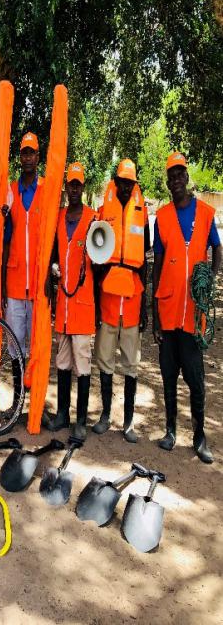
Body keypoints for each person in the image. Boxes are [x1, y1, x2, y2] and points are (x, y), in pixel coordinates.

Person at [153, 152, 221, 463]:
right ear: (167, 182)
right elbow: (156, 269)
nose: (177, 179)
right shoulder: (163, 217)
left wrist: (211, 281)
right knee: (168, 375)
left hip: (194, 315)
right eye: (172, 175)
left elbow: (217, 248)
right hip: (168, 312)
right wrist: (153, 317)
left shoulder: (206, 213)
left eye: (181, 173)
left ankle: (199, 436)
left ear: (187, 178)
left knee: (195, 378)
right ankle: (169, 431)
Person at [93, 159, 150, 443]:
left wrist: (146, 308)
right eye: (122, 182)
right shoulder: (105, 210)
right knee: (104, 360)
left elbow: (145, 262)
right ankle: (105, 415)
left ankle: (127, 422)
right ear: (115, 182)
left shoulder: (142, 213)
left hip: (132, 299)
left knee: (130, 363)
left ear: (134, 184)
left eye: (130, 182)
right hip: (107, 298)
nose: (125, 187)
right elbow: (95, 255)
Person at [48, 162, 97, 440]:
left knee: (83, 364)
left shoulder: (93, 218)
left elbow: (100, 261)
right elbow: (55, 251)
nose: (74, 188)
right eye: (71, 184)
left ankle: (81, 421)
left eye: (78, 184)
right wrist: (53, 267)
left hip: (83, 304)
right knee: (63, 361)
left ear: (83, 186)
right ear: (66, 187)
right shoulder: (59, 217)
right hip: (64, 305)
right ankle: (62, 415)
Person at [1, 132, 45, 410]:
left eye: (32, 153)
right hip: (15, 282)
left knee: (37, 349)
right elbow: (5, 237)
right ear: (20, 157)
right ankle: (17, 400)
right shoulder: (10, 190)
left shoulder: (47, 188)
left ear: (38, 157)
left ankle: (35, 403)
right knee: (16, 346)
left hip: (39, 283)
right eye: (24, 153)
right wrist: (3, 283)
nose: (28, 157)